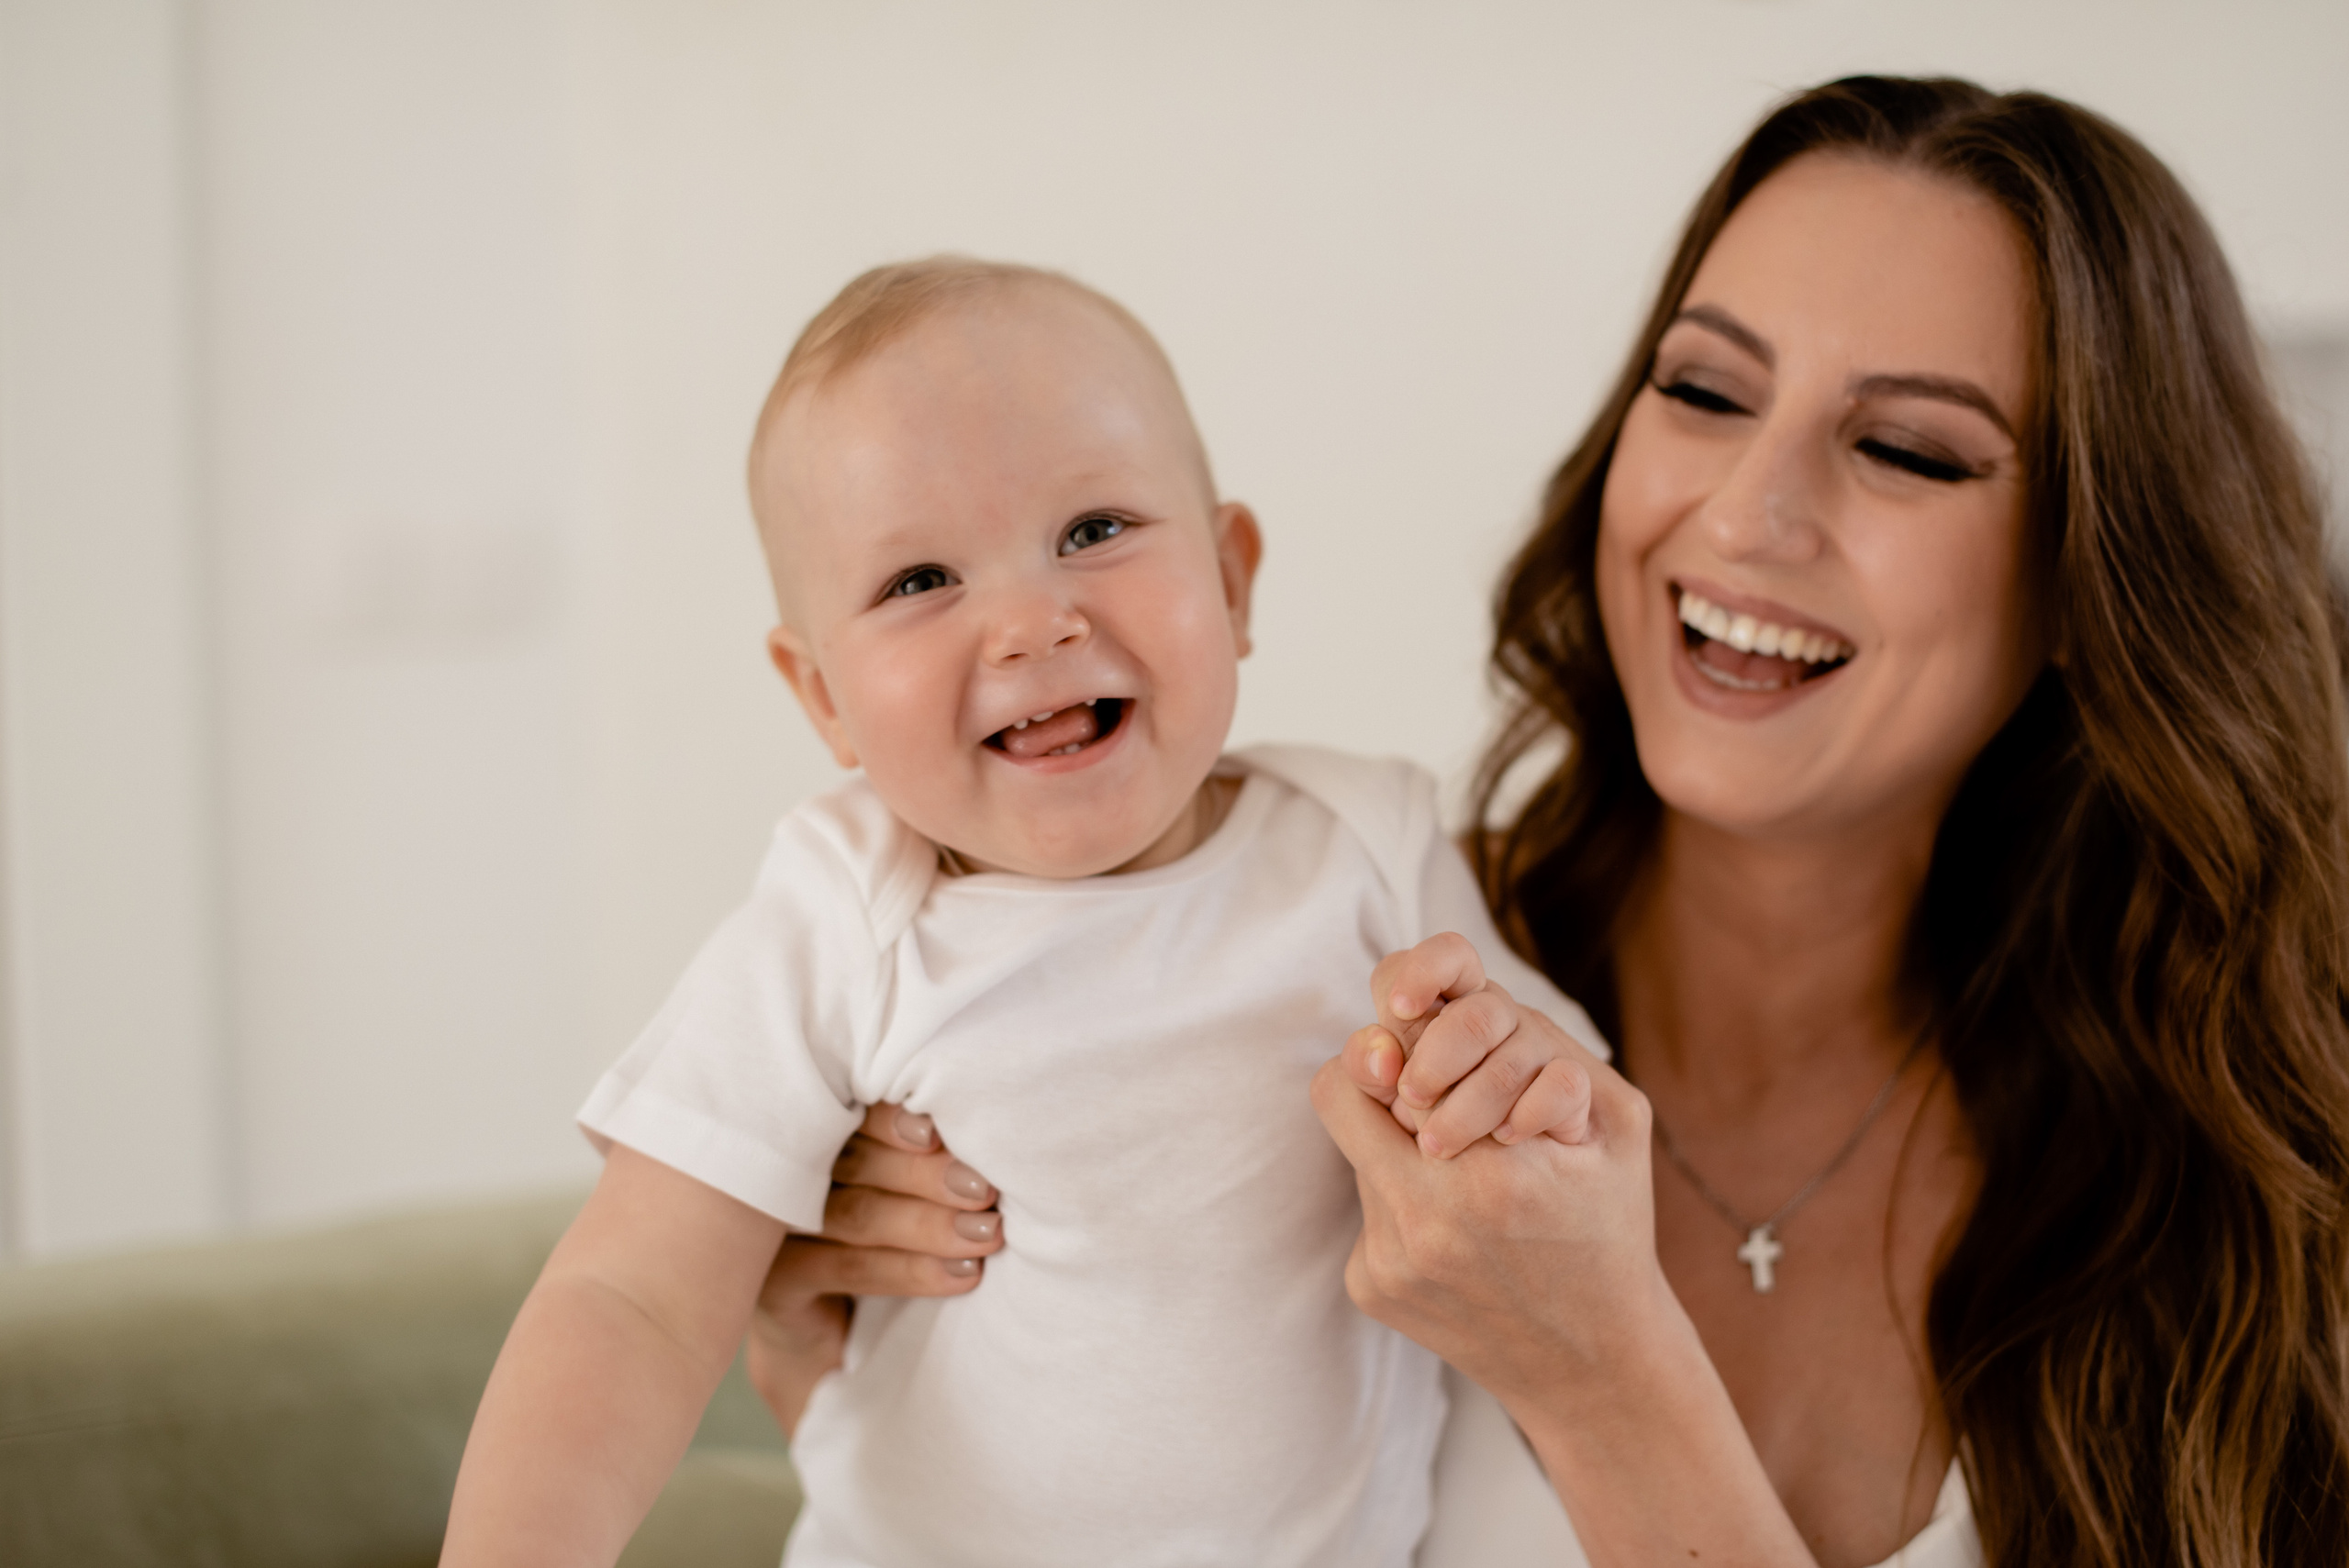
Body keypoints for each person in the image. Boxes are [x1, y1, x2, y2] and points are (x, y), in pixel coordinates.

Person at [752, 77, 2349, 1566]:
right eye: (1705, 390)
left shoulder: (2263, 1198)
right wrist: (803, 1290)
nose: (1745, 514)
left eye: (1907, 448)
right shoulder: (1319, 965)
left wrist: (1603, 1379)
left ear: (2095, 573)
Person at [439, 258, 1606, 1568]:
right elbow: (632, 1293)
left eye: (1095, 530)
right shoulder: (842, 917)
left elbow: (1576, 1138)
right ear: (820, 694)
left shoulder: (1369, 849)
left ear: (1233, 579)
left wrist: (1501, 1086)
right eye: (922, 579)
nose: (1030, 623)